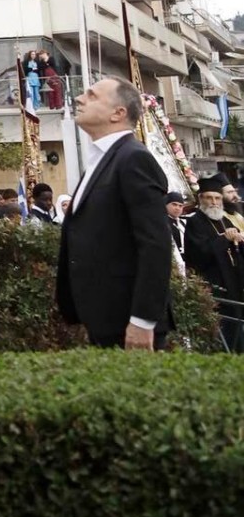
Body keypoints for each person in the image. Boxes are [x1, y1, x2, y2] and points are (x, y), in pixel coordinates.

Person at [54, 77, 173, 349]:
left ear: (118, 113)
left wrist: (143, 320)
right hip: (101, 318)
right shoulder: (102, 159)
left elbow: (155, 244)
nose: (80, 99)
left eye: (92, 95)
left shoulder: (133, 158)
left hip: (128, 321)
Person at [183, 179, 244, 351]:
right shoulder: (195, 222)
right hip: (213, 289)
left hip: (233, 287)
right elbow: (199, 254)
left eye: (217, 198)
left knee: (237, 337)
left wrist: (239, 241)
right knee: (221, 338)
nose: (214, 202)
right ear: (201, 198)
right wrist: (224, 239)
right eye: (209, 198)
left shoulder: (225, 220)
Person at [165, 192, 186, 278]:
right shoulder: (163, 222)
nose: (177, 208)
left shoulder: (183, 223)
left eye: (180, 206)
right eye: (174, 204)